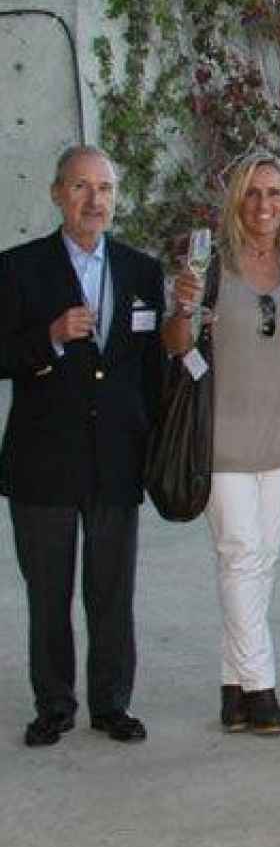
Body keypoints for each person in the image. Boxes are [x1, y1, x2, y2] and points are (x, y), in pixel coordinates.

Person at [1, 146, 164, 747]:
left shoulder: (142, 271)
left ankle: (111, 703)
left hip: (117, 459)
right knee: (49, 593)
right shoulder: (18, 268)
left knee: (111, 590)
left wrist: (150, 445)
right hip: (43, 461)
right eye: (81, 188)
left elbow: (149, 371)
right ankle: (54, 705)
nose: (95, 201)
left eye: (106, 189)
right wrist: (49, 338)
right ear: (56, 193)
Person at [162, 151, 280, 736]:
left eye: (275, 194)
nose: (264, 205)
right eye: (253, 193)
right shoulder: (210, 265)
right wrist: (184, 304)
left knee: (259, 562)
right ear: (236, 201)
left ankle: (231, 686)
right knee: (240, 553)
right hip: (220, 432)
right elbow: (177, 345)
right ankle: (261, 687)